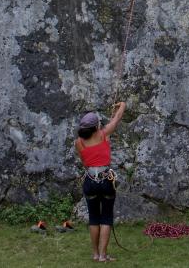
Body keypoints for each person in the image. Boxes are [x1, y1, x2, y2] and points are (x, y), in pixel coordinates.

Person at [75, 102, 126, 263]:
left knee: (94, 217)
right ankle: (103, 256)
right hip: (106, 180)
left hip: (90, 181)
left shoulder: (79, 142)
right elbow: (116, 119)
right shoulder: (103, 134)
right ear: (96, 127)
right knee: (106, 217)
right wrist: (123, 105)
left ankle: (96, 254)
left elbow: (85, 162)